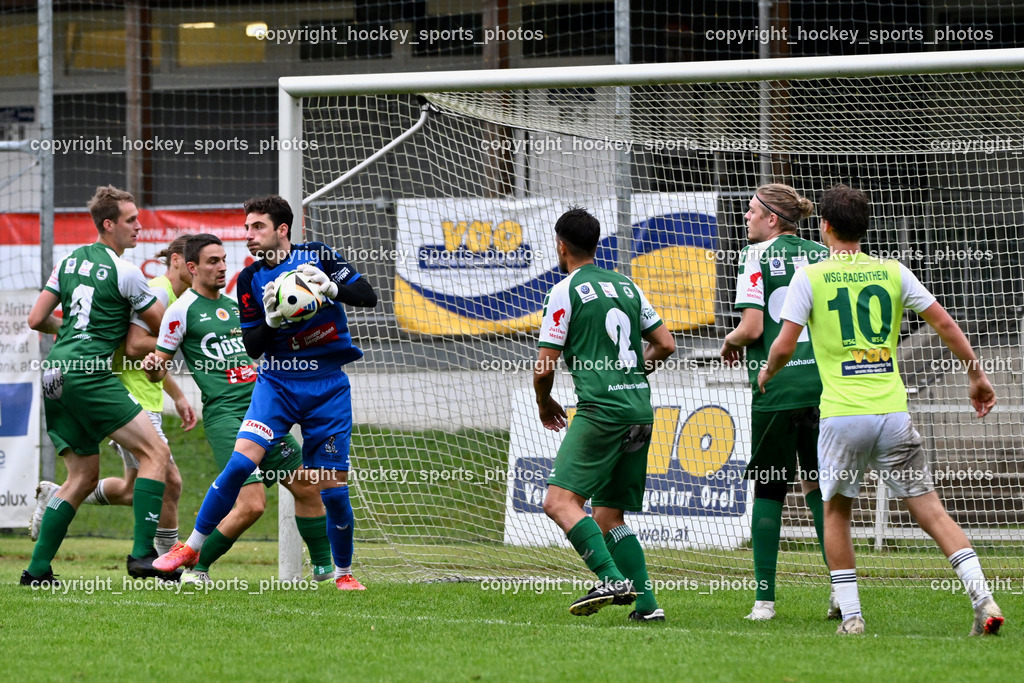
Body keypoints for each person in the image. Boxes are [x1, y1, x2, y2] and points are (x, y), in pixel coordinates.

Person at [758, 184, 1004, 636]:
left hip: (843, 416)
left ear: (824, 226)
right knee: (931, 510)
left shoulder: (810, 277)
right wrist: (977, 375)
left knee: (836, 510)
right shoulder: (893, 271)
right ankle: (982, 595)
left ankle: (852, 615)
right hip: (892, 412)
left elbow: (784, 344)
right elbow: (945, 323)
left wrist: (768, 373)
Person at [152, 196, 377, 590]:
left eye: (257, 227)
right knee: (241, 465)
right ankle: (191, 548)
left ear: (282, 230)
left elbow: (368, 296)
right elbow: (254, 346)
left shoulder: (319, 256)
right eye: (246, 227)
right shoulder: (250, 280)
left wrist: (333, 288)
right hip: (277, 381)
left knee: (333, 489)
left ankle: (342, 573)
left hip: (327, 385)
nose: (249, 235)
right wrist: (272, 319)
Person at [144, 233, 335, 584]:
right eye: (212, 261)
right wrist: (153, 364)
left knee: (308, 486)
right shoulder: (180, 310)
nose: (221, 267)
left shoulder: (235, 307)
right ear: (192, 267)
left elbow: (263, 349)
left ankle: (329, 575)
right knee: (252, 504)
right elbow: (160, 368)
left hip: (263, 413)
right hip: (226, 417)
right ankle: (196, 569)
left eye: (223, 260)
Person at [22, 185, 178, 586]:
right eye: (130, 220)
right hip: (90, 375)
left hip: (56, 372)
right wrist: (164, 356)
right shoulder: (127, 273)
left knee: (81, 478)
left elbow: (37, 319)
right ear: (108, 224)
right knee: (155, 454)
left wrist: (68, 334)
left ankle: (37, 572)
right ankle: (143, 556)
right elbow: (164, 329)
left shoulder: (69, 261)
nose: (139, 227)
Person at [534, 207, 676, 620]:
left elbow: (545, 367)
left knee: (559, 502)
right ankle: (648, 607)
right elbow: (665, 344)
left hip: (602, 412)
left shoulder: (566, 290)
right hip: (639, 411)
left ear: (561, 246)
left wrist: (545, 403)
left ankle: (612, 578)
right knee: (610, 515)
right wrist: (631, 374)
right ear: (597, 244)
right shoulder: (627, 286)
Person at [29, 236, 197, 556]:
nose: (211, 268)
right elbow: (136, 346)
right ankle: (163, 560)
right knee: (169, 479)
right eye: (204, 261)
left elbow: (153, 355)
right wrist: (186, 339)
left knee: (131, 489)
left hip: (133, 393)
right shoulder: (159, 290)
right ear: (178, 261)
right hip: (127, 396)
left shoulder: (174, 294)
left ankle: (56, 498)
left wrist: (176, 395)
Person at [720, 183, 832, 621]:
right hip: (824, 389)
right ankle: (841, 593)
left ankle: (764, 601)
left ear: (772, 219)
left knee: (769, 487)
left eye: (751, 211)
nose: (745, 217)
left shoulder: (755, 256)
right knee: (822, 488)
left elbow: (750, 328)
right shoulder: (824, 255)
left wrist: (729, 342)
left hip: (777, 387)